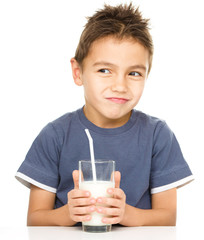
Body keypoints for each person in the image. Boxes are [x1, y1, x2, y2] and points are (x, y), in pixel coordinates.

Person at [15, 3, 194, 227]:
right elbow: (35, 219)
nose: (120, 85)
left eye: (134, 73)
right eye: (104, 70)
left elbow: (167, 218)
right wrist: (67, 214)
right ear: (78, 72)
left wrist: (126, 214)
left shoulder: (157, 135)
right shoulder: (55, 136)